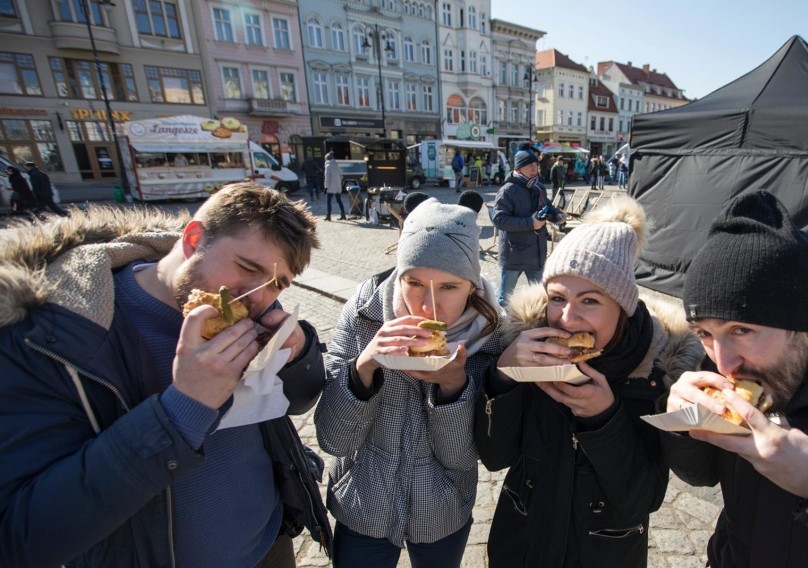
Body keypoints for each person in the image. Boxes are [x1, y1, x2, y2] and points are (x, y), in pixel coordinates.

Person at [0, 182, 332, 568]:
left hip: (270, 545)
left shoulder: (251, 309)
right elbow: (23, 534)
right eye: (246, 267)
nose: (257, 296)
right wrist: (184, 407)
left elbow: (297, 401)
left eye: (277, 283)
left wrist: (299, 355)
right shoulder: (54, 336)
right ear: (193, 239)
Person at [474, 196, 704, 567]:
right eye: (557, 298)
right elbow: (495, 456)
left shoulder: (656, 371)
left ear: (622, 306)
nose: (567, 318)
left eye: (590, 301)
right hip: (520, 548)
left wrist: (604, 418)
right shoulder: (529, 351)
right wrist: (504, 377)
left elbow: (643, 498)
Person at [661, 190, 808, 567]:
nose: (725, 363)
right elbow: (701, 476)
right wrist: (684, 425)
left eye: (742, 330)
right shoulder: (723, 367)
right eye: (704, 332)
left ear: (807, 326)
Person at [314, 197, 505, 568]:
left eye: (449, 287)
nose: (428, 307)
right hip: (362, 506)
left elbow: (461, 458)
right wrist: (364, 368)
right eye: (414, 282)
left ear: (472, 285)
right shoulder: (364, 315)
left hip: (443, 508)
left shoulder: (493, 337)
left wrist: (453, 388)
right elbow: (333, 440)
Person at [492, 148, 550, 307]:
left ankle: (538, 328)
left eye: (535, 165)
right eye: (529, 165)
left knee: (542, 298)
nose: (534, 168)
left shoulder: (538, 187)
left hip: (537, 253)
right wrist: (531, 223)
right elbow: (499, 219)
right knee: (505, 300)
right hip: (514, 254)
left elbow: (547, 206)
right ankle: (501, 329)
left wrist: (556, 215)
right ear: (518, 168)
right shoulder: (508, 190)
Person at [324, 152, 346, 221]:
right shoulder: (337, 165)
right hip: (337, 186)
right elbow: (341, 176)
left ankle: (328, 216)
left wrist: (326, 187)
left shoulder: (328, 166)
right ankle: (343, 215)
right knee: (339, 201)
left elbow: (327, 178)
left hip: (330, 187)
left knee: (328, 201)